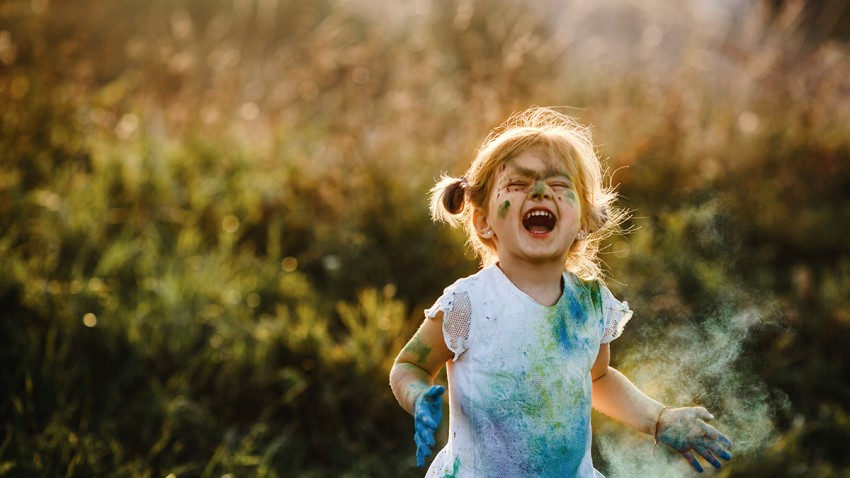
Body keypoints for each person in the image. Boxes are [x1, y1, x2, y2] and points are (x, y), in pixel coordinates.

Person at [388, 106, 733, 477]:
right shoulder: (469, 303)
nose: (539, 192)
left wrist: (659, 420)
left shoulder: (590, 303)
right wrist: (420, 397)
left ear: (584, 220)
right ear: (484, 221)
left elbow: (598, 377)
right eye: (518, 185)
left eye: (558, 185)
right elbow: (410, 365)